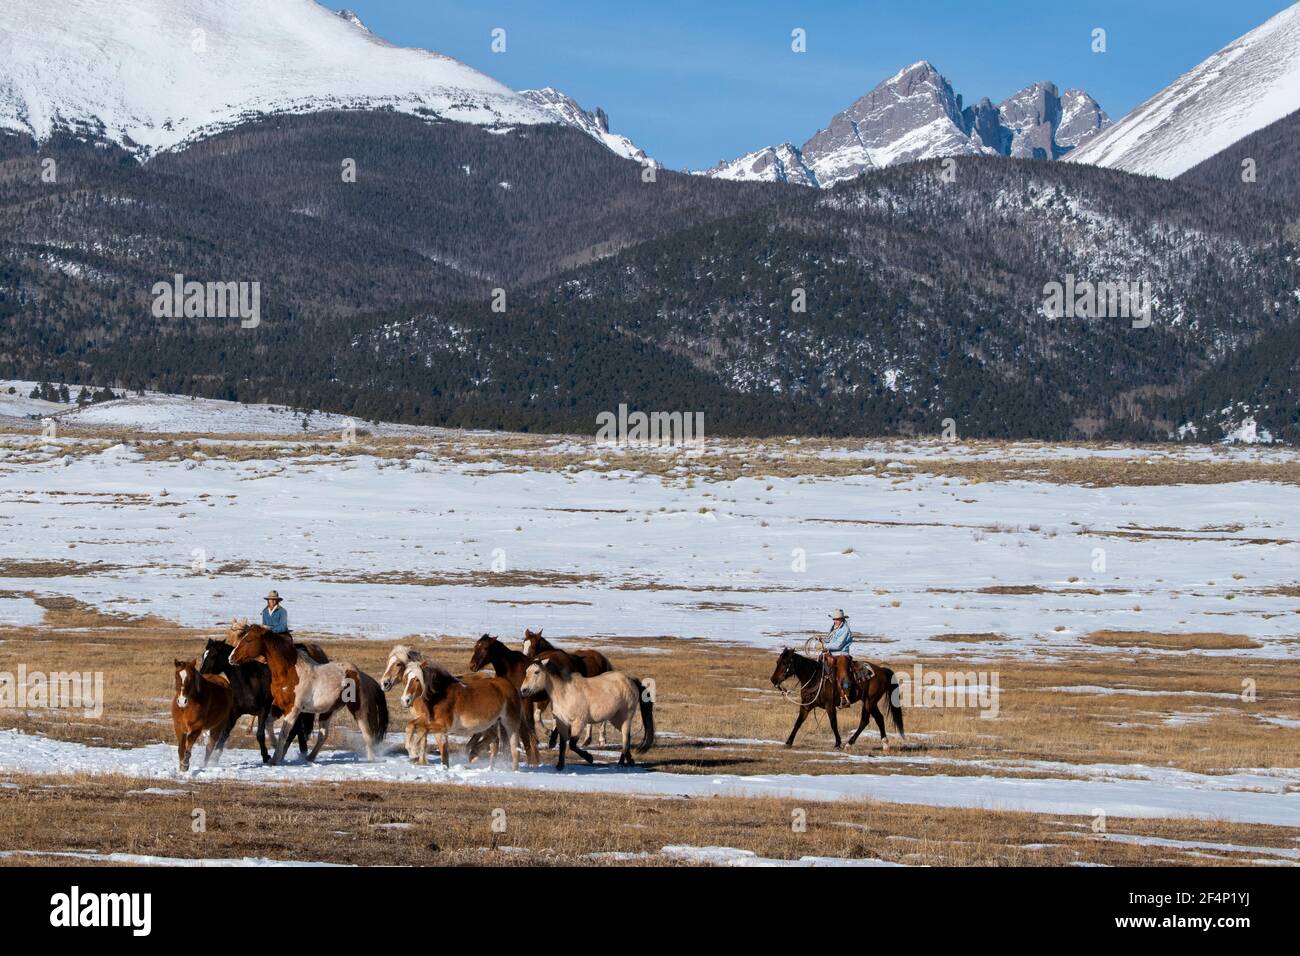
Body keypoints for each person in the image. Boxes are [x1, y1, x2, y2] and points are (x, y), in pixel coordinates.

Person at [824, 609, 854, 707]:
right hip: (832, 654)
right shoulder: (834, 628)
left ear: (842, 619)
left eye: (837, 619)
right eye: (834, 619)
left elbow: (838, 645)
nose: (835, 621)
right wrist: (823, 642)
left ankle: (845, 696)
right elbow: (829, 640)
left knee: (843, 676)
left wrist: (825, 646)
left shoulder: (845, 629)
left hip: (842, 655)